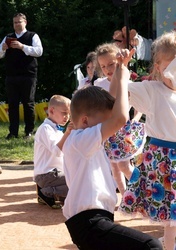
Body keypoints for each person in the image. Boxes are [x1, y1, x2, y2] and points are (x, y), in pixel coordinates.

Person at [61, 48, 162, 249]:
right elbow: (119, 117)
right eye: (103, 121)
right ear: (84, 120)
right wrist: (124, 80)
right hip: (90, 223)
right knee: (151, 246)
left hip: (94, 221)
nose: (109, 126)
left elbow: (111, 102)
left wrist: (121, 68)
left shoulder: (85, 136)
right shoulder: (81, 139)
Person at [119, 31, 176, 250]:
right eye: (170, 65)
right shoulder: (152, 90)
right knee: (170, 219)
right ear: (158, 66)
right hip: (163, 158)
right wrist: (122, 70)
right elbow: (120, 92)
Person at [95, 43, 145, 195]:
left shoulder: (127, 83)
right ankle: (125, 197)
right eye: (103, 66)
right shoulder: (98, 84)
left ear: (119, 62)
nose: (107, 69)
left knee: (124, 165)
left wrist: (135, 119)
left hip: (123, 130)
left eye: (111, 64)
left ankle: (140, 192)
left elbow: (140, 107)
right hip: (107, 130)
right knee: (114, 169)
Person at [0, 12, 43, 139]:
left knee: (28, 103)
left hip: (28, 74)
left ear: (25, 22)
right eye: (14, 22)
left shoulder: (33, 36)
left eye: (19, 22)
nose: (16, 24)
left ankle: (29, 131)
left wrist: (23, 47)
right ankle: (13, 132)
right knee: (12, 104)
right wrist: (3, 48)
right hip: (11, 75)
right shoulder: (8, 37)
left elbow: (39, 51)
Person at [33, 95, 71, 209]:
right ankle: (46, 192)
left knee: (80, 179)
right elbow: (57, 151)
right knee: (79, 182)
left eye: (69, 114)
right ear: (51, 111)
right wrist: (67, 134)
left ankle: (55, 194)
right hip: (47, 174)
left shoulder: (57, 129)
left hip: (55, 174)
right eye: (64, 112)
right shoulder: (45, 129)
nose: (67, 117)